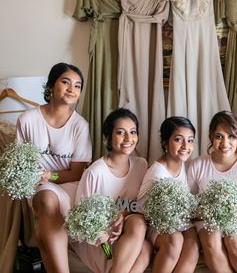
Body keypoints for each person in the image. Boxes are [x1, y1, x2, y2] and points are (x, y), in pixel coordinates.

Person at [16, 62, 92, 273]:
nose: (71, 89)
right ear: (50, 86)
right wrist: (36, 178)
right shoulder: (27, 120)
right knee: (47, 200)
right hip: (39, 186)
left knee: (43, 232)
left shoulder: (80, 126)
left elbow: (77, 172)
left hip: (68, 183)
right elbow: (21, 164)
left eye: (77, 86)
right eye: (65, 82)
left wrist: (51, 176)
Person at [71, 108, 150, 273]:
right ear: (108, 138)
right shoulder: (95, 172)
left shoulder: (141, 165)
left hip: (128, 233)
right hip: (100, 240)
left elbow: (141, 206)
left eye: (133, 132)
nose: (128, 138)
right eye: (121, 132)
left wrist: (123, 214)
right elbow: (81, 219)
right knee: (141, 249)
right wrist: (101, 234)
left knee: (144, 243)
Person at [187, 111, 237, 273]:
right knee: (212, 241)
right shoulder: (197, 165)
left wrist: (235, 219)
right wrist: (211, 215)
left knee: (234, 240)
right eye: (219, 136)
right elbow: (189, 205)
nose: (225, 143)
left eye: (231, 136)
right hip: (207, 221)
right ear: (211, 137)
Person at [137, 116, 200, 273]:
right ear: (165, 143)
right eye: (178, 140)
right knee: (175, 240)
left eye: (190, 140)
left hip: (181, 221)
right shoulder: (158, 173)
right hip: (156, 222)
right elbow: (148, 212)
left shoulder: (185, 165)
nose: (186, 146)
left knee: (193, 247)